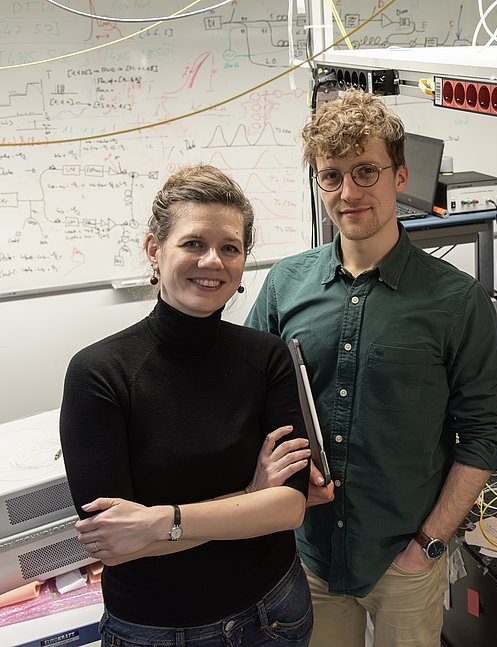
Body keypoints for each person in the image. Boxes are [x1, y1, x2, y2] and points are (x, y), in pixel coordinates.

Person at [245, 90, 497, 647]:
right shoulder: (284, 285)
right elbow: (247, 402)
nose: (348, 193)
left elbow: (485, 436)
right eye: (331, 176)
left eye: (366, 171)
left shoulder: (457, 302)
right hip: (310, 554)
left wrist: (430, 544)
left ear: (400, 175)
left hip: (405, 558)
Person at [59, 164, 314, 647]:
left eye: (230, 248)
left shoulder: (266, 356)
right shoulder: (99, 373)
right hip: (156, 630)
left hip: (274, 614)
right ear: (155, 250)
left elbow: (288, 507)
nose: (213, 261)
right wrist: (248, 496)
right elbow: (115, 546)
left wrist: (160, 521)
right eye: (194, 243)